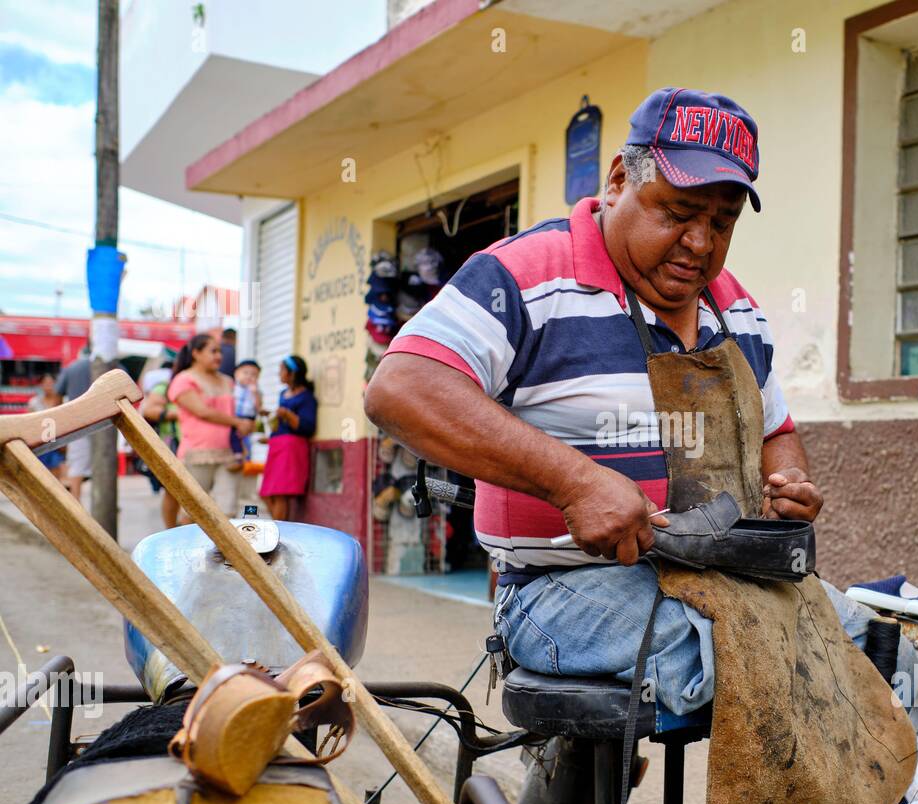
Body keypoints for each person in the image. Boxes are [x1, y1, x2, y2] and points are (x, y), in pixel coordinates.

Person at [366, 88, 825, 719]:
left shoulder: (735, 307)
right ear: (617, 180)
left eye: (722, 224)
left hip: (717, 578)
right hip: (558, 589)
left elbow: (778, 430)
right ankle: (577, 783)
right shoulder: (527, 275)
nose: (700, 243)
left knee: (863, 644)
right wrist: (576, 484)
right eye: (679, 212)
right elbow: (401, 389)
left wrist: (787, 482)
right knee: (747, 654)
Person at [166, 334, 253, 520]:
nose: (219, 356)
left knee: (228, 511)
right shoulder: (184, 380)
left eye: (220, 351)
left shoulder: (227, 381)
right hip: (198, 454)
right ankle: (188, 548)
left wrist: (247, 425)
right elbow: (202, 411)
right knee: (193, 511)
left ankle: (225, 549)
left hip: (230, 453)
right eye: (213, 351)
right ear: (196, 353)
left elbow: (240, 409)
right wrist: (238, 423)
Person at [259, 355, 317, 521]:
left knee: (279, 493)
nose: (279, 374)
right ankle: (281, 527)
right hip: (277, 445)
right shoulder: (283, 394)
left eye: (282, 370)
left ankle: (279, 531)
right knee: (266, 493)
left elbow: (307, 427)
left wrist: (286, 414)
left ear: (292, 374)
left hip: (291, 447)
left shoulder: (307, 397)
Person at [139, 362, 181, 527]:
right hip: (172, 443)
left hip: (191, 444)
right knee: (172, 491)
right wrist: (177, 414)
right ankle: (170, 530)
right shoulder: (164, 387)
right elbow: (148, 411)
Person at [54, 346, 96, 502]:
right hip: (105, 423)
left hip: (77, 423)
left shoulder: (71, 369)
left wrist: (56, 428)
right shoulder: (111, 364)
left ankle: (76, 502)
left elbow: (57, 397)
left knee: (77, 465)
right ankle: (105, 501)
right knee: (103, 466)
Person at [27, 373, 66, 482]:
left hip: (55, 445)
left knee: (55, 478)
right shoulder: (34, 402)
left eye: (51, 383)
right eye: (46, 383)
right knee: (39, 477)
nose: (48, 386)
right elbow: (29, 424)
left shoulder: (60, 401)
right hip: (39, 444)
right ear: (41, 385)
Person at [230, 358, 262, 462]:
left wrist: (255, 393)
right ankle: (237, 454)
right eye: (245, 373)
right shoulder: (232, 387)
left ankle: (246, 458)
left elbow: (259, 408)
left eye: (253, 375)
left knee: (246, 439)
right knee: (233, 436)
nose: (249, 376)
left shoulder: (256, 391)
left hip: (248, 417)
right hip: (233, 416)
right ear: (236, 374)